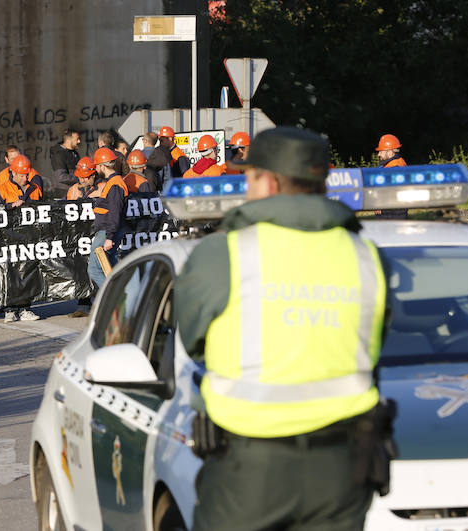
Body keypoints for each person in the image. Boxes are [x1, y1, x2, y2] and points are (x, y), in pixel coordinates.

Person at [175, 126, 392, 531]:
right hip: (343, 468)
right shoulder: (367, 256)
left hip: (250, 470)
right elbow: (377, 340)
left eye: (249, 176)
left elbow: (193, 339)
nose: (245, 185)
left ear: (269, 180)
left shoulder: (224, 254)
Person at [0, 154, 43, 322]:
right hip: (7, 239)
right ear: (12, 172)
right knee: (8, 273)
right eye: (21, 175)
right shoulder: (2, 188)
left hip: (29, 239)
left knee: (28, 272)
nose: (24, 178)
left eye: (26, 174)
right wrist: (10, 207)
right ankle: (9, 309)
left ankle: (25, 308)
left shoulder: (35, 189)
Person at [87, 148, 127, 291]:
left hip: (106, 233)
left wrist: (109, 237)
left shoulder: (115, 184)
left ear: (103, 166)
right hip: (108, 231)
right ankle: (121, 301)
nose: (96, 170)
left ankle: (113, 301)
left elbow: (114, 212)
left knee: (94, 270)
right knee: (109, 270)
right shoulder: (114, 182)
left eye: (97, 166)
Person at [65, 157, 100, 318]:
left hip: (97, 234)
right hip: (79, 236)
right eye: (80, 176)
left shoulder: (102, 188)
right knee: (81, 268)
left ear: (93, 175)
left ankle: (101, 302)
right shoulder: (73, 190)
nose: (83, 179)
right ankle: (84, 304)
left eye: (86, 176)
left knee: (98, 269)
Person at [375, 133, 408, 219]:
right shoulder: (395, 163)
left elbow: (387, 190)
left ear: (390, 152)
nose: (378, 154)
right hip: (394, 207)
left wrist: (378, 204)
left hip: (391, 210)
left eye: (381, 151)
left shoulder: (394, 167)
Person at [50, 128, 81, 195]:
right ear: (69, 140)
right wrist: (80, 178)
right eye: (77, 139)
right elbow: (61, 177)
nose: (79, 141)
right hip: (63, 192)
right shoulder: (58, 154)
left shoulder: (75, 153)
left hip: (74, 190)